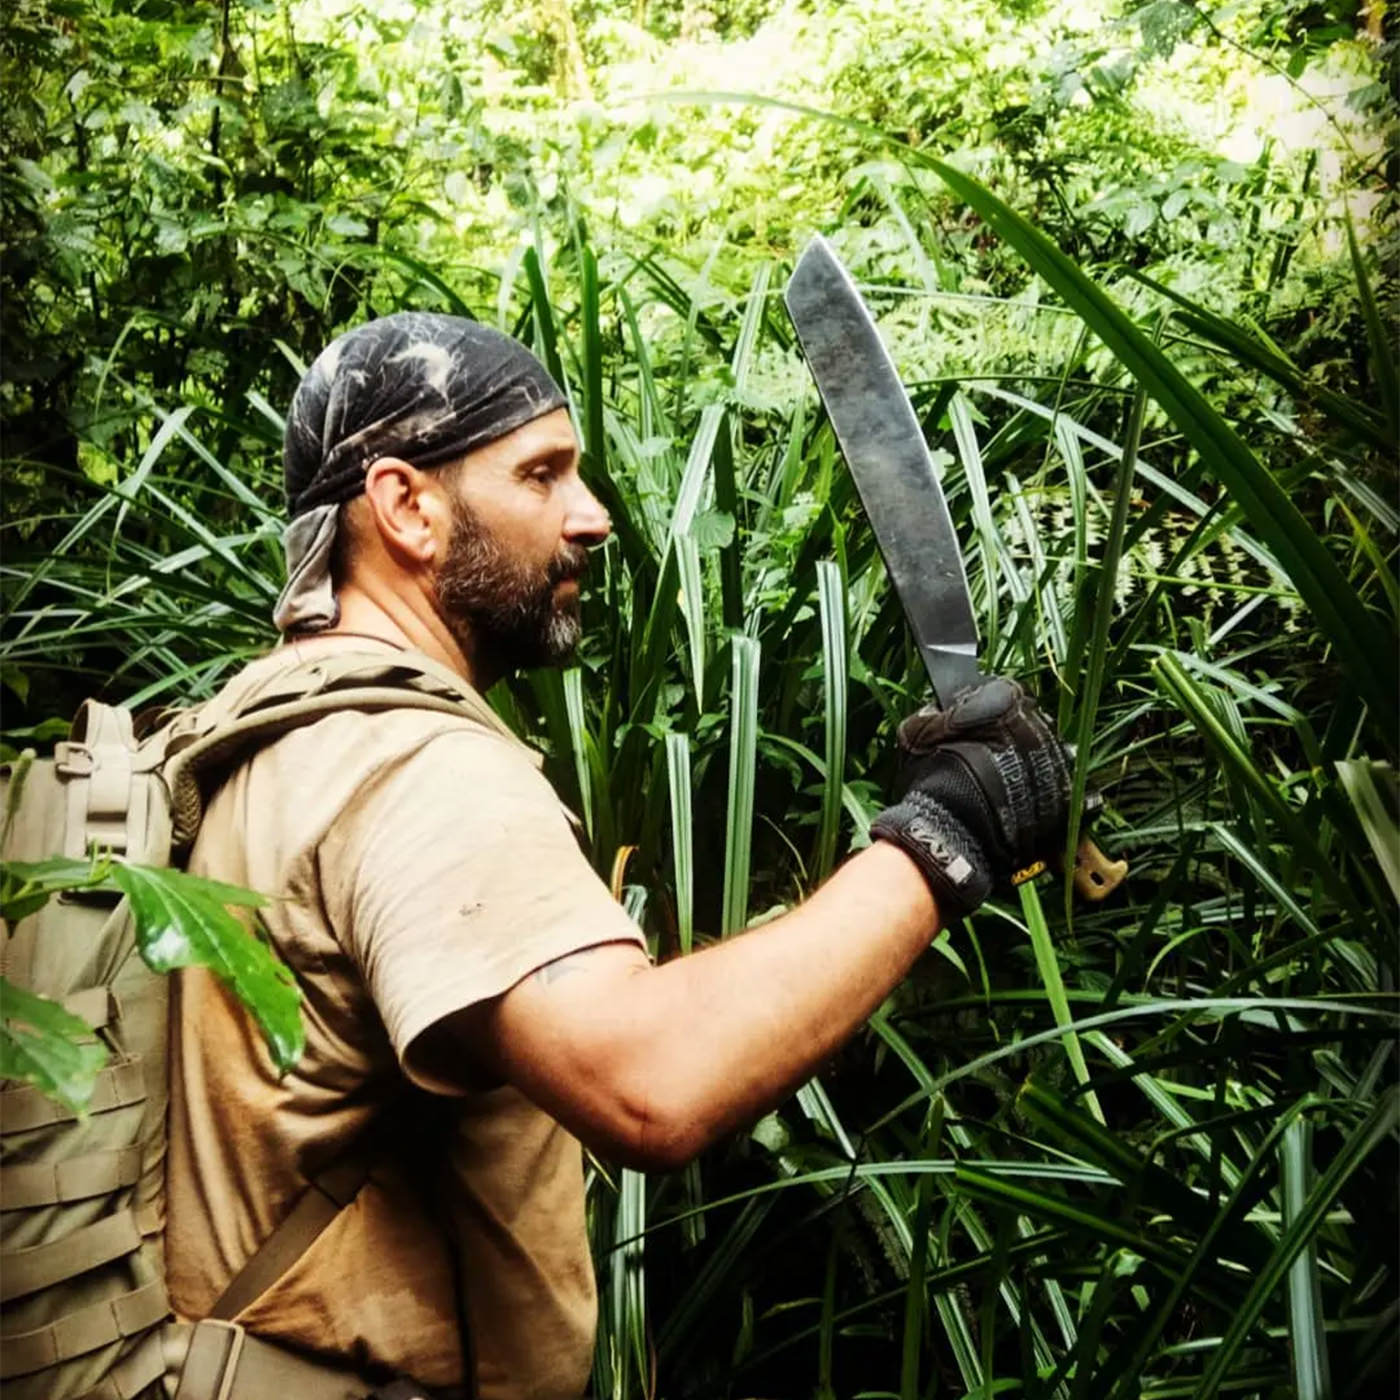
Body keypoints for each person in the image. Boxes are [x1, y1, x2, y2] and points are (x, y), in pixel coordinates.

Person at [163, 311, 1072, 1400]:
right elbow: (649, 1081)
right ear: (406, 505)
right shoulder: (411, 766)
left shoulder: (247, 737)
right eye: (541, 474)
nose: (589, 517)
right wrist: (941, 838)